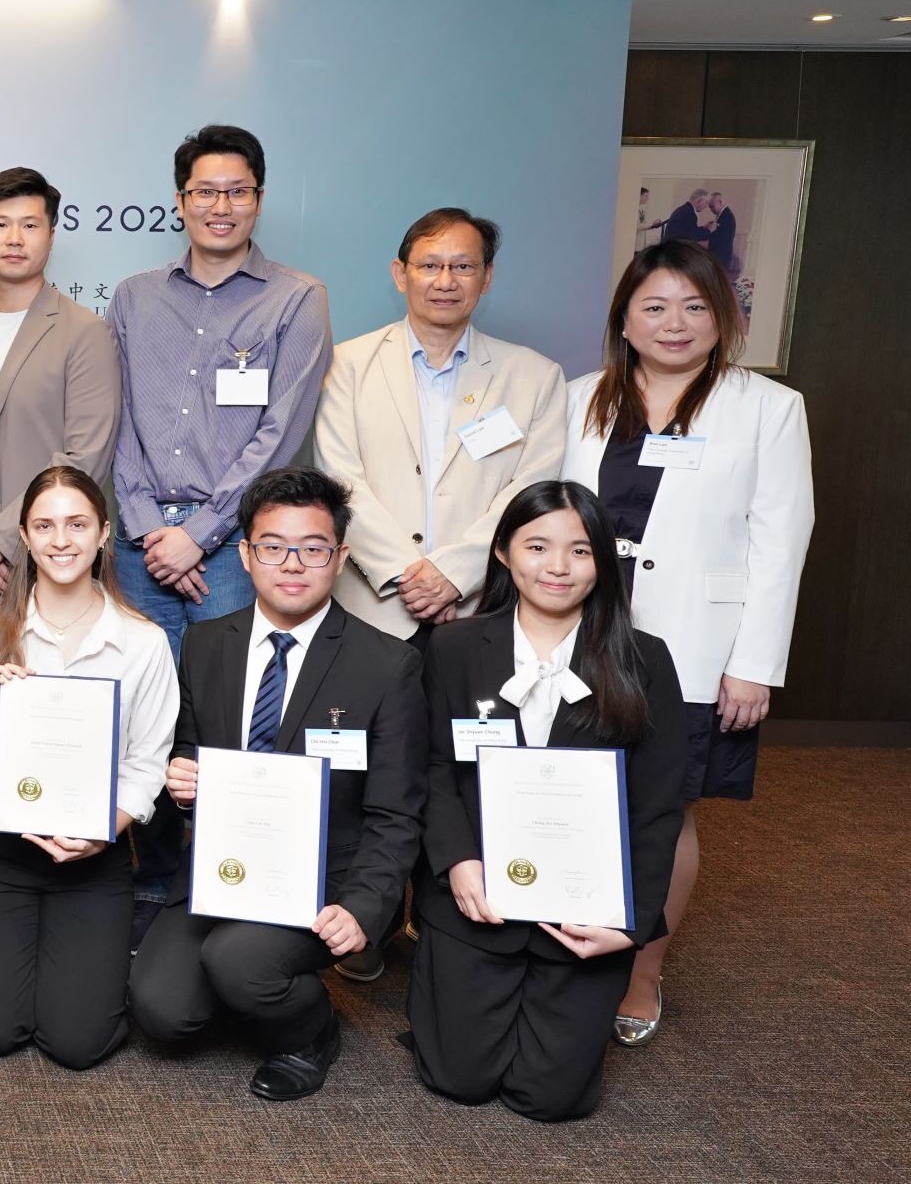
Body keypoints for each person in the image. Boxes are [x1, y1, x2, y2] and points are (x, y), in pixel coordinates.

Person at [562, 240, 812, 1045]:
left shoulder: (768, 408)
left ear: (723, 317)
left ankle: (640, 973)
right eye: (655, 306)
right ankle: (559, 952)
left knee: (664, 813)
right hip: (580, 640)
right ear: (625, 319)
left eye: (695, 306)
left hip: (698, 647)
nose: (675, 323)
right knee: (566, 798)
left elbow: (783, 540)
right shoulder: (578, 400)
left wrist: (755, 664)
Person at [129, 467, 425, 1102]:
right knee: (163, 1014)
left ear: (340, 557)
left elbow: (396, 814)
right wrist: (182, 778)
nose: (293, 563)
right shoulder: (207, 644)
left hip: (322, 888)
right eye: (272, 546)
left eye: (313, 548)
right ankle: (251, 986)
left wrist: (366, 911)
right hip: (223, 872)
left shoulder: (387, 663)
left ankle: (310, 1031)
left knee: (241, 962)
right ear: (246, 553)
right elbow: (189, 747)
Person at [109, 124, 331, 941]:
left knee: (235, 714)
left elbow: (282, 428)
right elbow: (119, 420)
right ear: (181, 200)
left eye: (237, 190)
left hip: (234, 545)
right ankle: (159, 875)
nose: (220, 205)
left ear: (259, 198)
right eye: (204, 190)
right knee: (151, 712)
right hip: (139, 541)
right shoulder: (135, 295)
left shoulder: (296, 298)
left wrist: (199, 534)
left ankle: (238, 879)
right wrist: (142, 526)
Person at [408, 481, 689, 1121]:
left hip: (581, 918)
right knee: (461, 1080)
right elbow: (429, 768)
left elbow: (656, 809)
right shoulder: (452, 648)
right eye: (537, 546)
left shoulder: (644, 661)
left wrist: (628, 924)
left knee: (551, 1098)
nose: (558, 568)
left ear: (602, 562)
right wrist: (457, 862)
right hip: (477, 904)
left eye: (580, 551)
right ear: (504, 552)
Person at [0, 467, 174, 1069]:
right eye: (44, 525)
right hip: (0, 848)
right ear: (24, 537)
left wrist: (104, 827)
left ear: (104, 533)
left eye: (77, 524)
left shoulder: (142, 642)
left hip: (95, 852)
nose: (61, 540)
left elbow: (147, 763)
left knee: (78, 1044)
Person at [313, 209, 567, 642]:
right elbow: (340, 479)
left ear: (486, 278)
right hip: (370, 608)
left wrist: (455, 573)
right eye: (430, 265)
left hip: (481, 607)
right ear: (400, 274)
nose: (446, 281)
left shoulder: (535, 376)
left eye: (463, 267)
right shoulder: (346, 365)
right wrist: (405, 575)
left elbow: (530, 490)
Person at [0, 169, 122, 610]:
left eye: (29, 225)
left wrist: (3, 540)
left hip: (47, 562)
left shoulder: (84, 331)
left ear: (51, 235)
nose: (14, 238)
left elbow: (85, 457)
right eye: (0, 224)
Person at [705, 191, 741, 276]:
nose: (711, 210)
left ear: (720, 202)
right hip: (719, 255)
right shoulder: (723, 215)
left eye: (712, 206)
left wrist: (709, 231)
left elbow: (722, 239)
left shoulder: (726, 216)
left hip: (721, 256)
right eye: (710, 207)